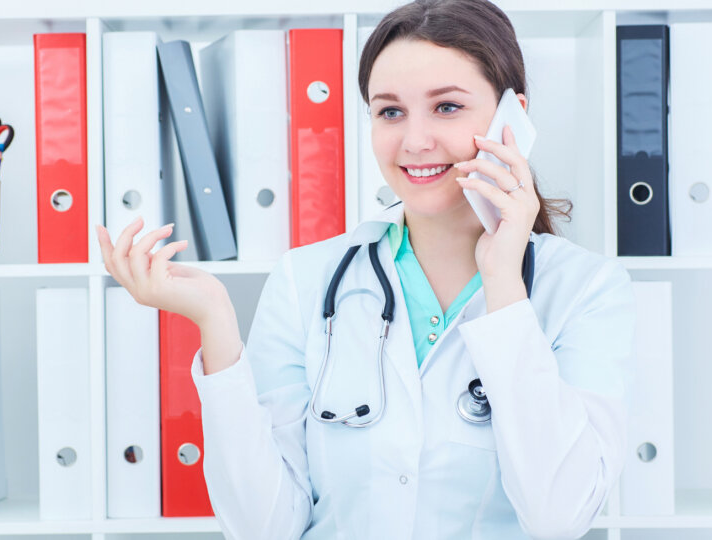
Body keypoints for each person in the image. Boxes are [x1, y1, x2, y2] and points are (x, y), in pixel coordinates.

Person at [96, 0, 635, 537]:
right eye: (390, 111)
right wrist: (215, 323)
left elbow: (559, 516)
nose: (414, 141)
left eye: (446, 107)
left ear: (513, 115)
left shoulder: (586, 290)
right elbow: (265, 527)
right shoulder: (305, 280)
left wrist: (503, 288)